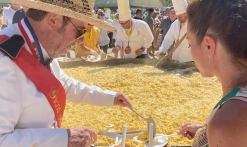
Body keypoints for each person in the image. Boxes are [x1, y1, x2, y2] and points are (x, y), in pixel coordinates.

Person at [0, 0, 132, 147]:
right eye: (80, 30)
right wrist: (63, 138)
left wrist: (110, 97)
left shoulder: (40, 45)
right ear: (53, 20)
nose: (81, 39)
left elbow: (64, 84)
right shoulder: (4, 63)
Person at [178, 0, 247, 146]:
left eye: (190, 44)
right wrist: (204, 131)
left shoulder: (226, 124)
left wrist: (218, 130)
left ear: (208, 46)